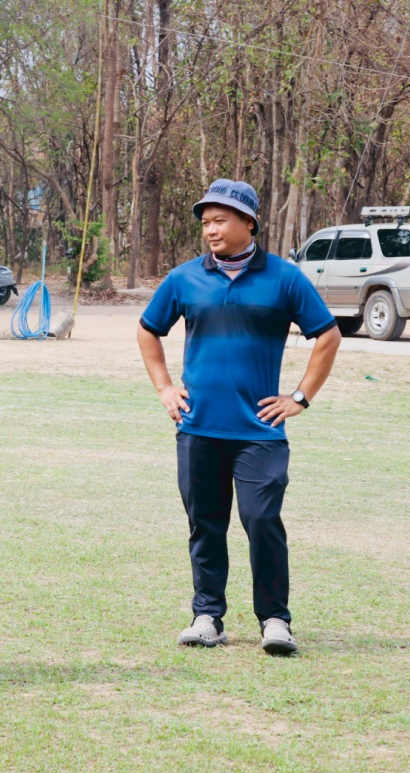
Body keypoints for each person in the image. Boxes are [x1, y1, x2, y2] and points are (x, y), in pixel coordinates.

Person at [136, 179, 341, 656]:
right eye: (206, 222)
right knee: (204, 522)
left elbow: (327, 336)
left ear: (249, 222)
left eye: (220, 220)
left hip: (261, 433)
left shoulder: (285, 278)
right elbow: (148, 332)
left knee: (261, 518)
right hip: (198, 427)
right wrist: (165, 387)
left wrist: (299, 397)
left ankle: (275, 620)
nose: (211, 229)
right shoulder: (184, 278)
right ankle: (207, 615)